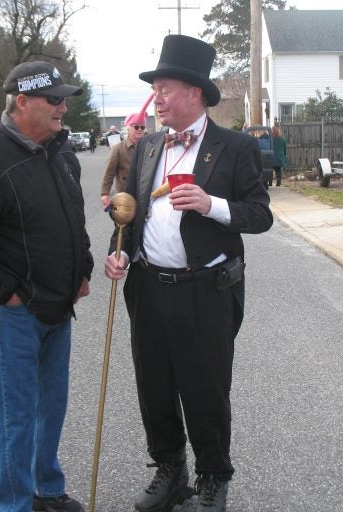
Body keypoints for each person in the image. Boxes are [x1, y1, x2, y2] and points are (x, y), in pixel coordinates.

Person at [104, 35, 273, 512]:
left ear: (195, 94)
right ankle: (170, 470)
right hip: (148, 286)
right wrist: (119, 252)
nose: (156, 99)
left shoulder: (235, 147)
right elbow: (130, 212)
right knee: (154, 386)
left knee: (205, 389)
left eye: (165, 89)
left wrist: (212, 204)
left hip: (206, 291)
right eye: (154, 89)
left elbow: (260, 215)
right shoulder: (148, 146)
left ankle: (213, 476)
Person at [0, 60, 94, 512]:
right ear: (22, 102)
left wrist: (81, 269)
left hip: (59, 307)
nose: (63, 107)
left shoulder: (61, 153)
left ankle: (47, 490)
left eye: (64, 98)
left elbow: (74, 223)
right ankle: (14, 504)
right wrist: (4, 293)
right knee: (16, 417)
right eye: (54, 99)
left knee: (52, 409)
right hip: (18, 313)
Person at [99, 94, 153, 207]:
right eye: (136, 127)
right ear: (128, 129)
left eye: (142, 127)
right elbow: (109, 172)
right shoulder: (118, 148)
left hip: (146, 195)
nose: (140, 130)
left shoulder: (150, 146)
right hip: (125, 196)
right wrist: (105, 193)